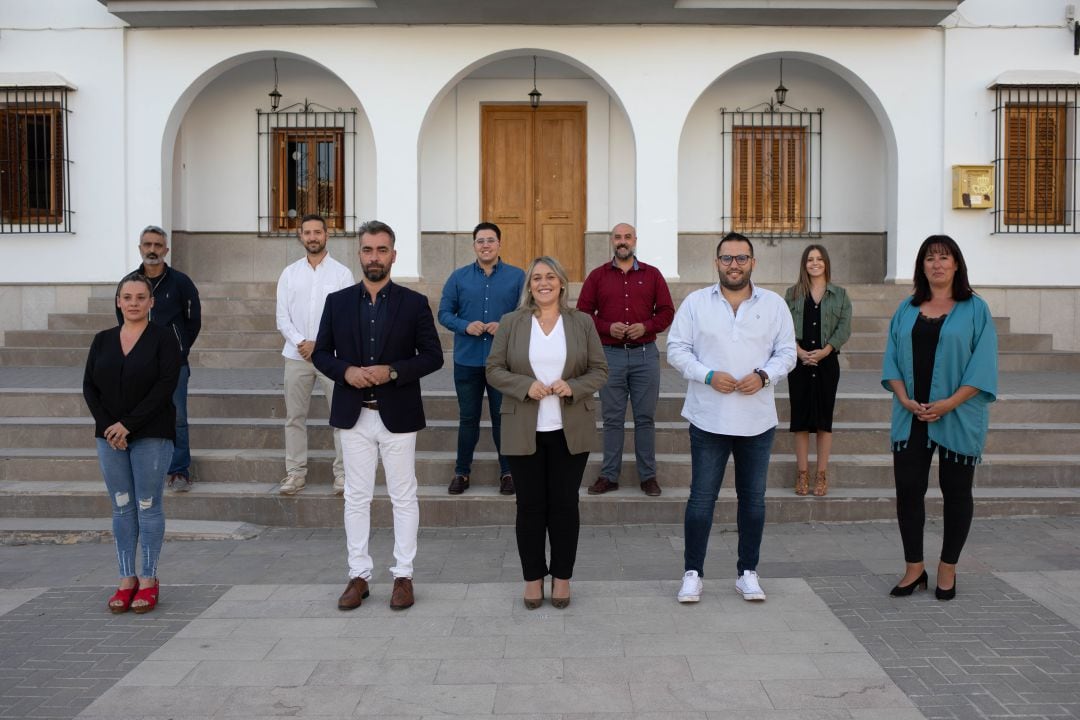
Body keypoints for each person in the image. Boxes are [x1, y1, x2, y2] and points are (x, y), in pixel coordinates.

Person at [312, 220, 443, 611]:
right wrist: (345, 372)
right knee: (356, 497)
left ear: (393, 255)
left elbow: (433, 356)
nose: (374, 257)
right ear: (359, 255)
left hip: (397, 415)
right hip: (354, 416)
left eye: (381, 250)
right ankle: (359, 576)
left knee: (404, 496)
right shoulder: (337, 302)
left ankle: (403, 575)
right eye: (368, 250)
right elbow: (320, 353)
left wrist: (394, 371)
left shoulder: (414, 303)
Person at [666, 232, 796, 603]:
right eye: (726, 258)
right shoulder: (696, 303)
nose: (734, 265)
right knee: (701, 500)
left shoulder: (772, 304)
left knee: (753, 500)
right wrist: (706, 374)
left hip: (756, 420)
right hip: (709, 418)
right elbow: (676, 348)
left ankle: (747, 572)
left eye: (741, 258)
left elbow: (787, 351)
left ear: (753, 262)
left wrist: (764, 376)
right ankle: (693, 573)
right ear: (716, 262)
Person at [486, 256, 607, 610]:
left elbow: (600, 370)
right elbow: (493, 369)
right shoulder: (512, 322)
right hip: (524, 429)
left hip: (570, 430)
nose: (543, 283)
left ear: (562, 283)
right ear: (529, 286)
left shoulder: (582, 322)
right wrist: (525, 385)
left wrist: (573, 386)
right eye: (536, 278)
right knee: (530, 507)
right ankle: (533, 579)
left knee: (565, 506)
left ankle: (563, 578)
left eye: (550, 277)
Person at [882, 235, 997, 601]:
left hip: (959, 414)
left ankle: (948, 568)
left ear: (957, 264)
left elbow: (984, 367)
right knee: (908, 492)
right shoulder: (906, 308)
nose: (937, 264)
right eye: (930, 258)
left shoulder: (976, 309)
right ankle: (914, 568)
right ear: (922, 266)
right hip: (911, 414)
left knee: (957, 492)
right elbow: (892, 360)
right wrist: (904, 398)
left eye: (944, 258)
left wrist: (949, 403)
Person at [85, 273, 181, 614]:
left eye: (141, 297)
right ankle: (126, 579)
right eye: (128, 297)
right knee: (121, 506)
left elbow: (165, 386)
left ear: (151, 302)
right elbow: (89, 389)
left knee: (146, 506)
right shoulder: (102, 340)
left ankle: (149, 579)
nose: (134, 303)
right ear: (118, 301)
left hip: (152, 435)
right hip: (109, 438)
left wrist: (128, 424)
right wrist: (110, 427)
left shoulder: (164, 339)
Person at [577, 222, 674, 497]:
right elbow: (583, 313)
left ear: (635, 240)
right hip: (610, 357)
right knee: (612, 419)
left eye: (627, 237)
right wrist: (607, 327)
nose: (623, 241)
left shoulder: (653, 275)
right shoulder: (597, 276)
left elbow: (667, 311)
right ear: (612, 242)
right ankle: (609, 475)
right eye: (618, 237)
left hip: (645, 356)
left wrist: (647, 326)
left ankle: (648, 476)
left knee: (645, 418)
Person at [438, 222, 526, 496]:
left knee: (504, 420)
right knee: (468, 419)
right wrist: (465, 325)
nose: (485, 245)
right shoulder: (458, 277)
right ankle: (461, 473)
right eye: (480, 241)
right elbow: (444, 313)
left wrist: (506, 325)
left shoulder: (517, 276)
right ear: (474, 245)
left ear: (499, 244)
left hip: (503, 363)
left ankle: (508, 473)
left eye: (490, 240)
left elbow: (526, 312)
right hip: (467, 361)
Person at [275, 213, 354, 496]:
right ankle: (295, 474)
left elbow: (346, 317)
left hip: (331, 357)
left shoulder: (342, 274)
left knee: (341, 417)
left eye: (317, 232)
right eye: (306, 232)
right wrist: (301, 342)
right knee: (294, 417)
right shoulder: (289, 273)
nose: (312, 237)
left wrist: (318, 344)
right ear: (300, 236)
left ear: (326, 235)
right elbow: (282, 316)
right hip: (296, 357)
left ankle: (343, 475)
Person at [118, 225, 201, 493]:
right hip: (139, 365)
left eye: (157, 245)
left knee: (177, 417)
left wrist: (180, 349)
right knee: (139, 414)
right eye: (147, 245)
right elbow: (123, 320)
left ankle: (178, 471)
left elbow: (193, 321)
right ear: (140, 248)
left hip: (174, 365)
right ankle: (144, 469)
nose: (152, 250)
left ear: (166, 249)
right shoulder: (129, 283)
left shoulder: (181, 282)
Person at [784, 245, 852, 497]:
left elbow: (844, 328)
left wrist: (824, 351)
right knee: (800, 421)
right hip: (799, 363)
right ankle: (802, 474)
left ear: (826, 263)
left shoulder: (841, 295)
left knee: (824, 421)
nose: (815, 263)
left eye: (819, 259)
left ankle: (821, 475)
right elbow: (781, 327)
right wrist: (799, 352)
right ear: (804, 264)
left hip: (827, 363)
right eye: (810, 259)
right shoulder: (791, 294)